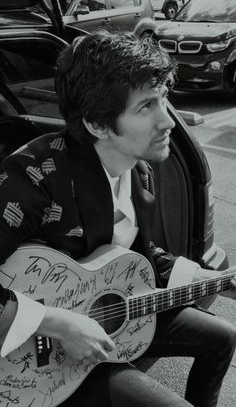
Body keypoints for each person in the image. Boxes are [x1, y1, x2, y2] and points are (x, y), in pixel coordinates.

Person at [0, 29, 235, 407]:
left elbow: (143, 256)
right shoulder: (33, 175)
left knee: (223, 337)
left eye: (164, 100)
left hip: (110, 315)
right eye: (146, 107)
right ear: (96, 123)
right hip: (38, 356)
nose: (168, 121)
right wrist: (59, 324)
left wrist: (216, 281)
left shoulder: (139, 169)